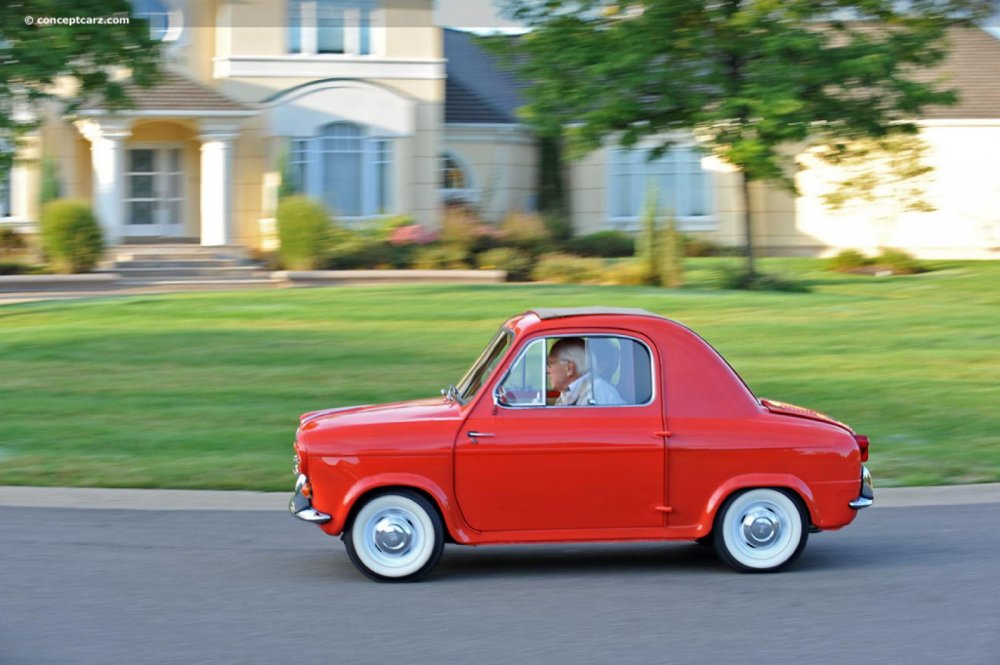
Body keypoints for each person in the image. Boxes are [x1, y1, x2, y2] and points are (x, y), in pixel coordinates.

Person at [546, 338, 626, 406]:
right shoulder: (569, 392)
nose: (547, 370)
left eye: (551, 363)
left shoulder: (595, 392)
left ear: (569, 368)